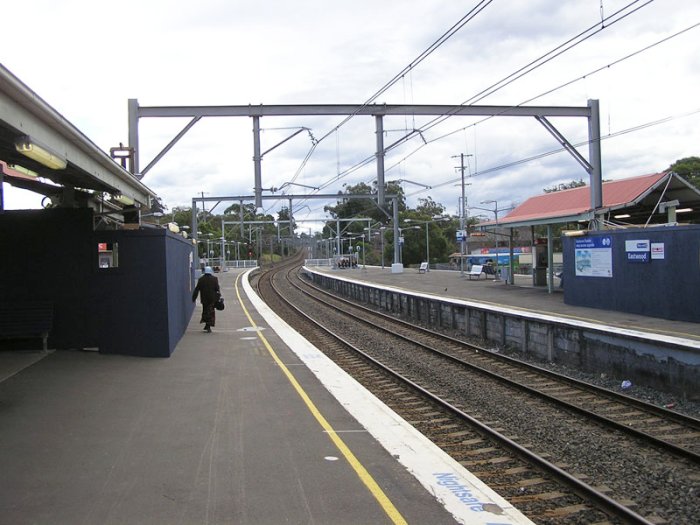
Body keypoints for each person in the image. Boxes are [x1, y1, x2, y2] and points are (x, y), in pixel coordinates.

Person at [192, 266, 220, 332]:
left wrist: (194, 298)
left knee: (205, 310)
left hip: (204, 299)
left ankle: (206, 324)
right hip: (212, 299)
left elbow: (197, 289)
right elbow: (217, 289)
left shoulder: (201, 279)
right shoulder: (214, 279)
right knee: (211, 311)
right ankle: (208, 325)